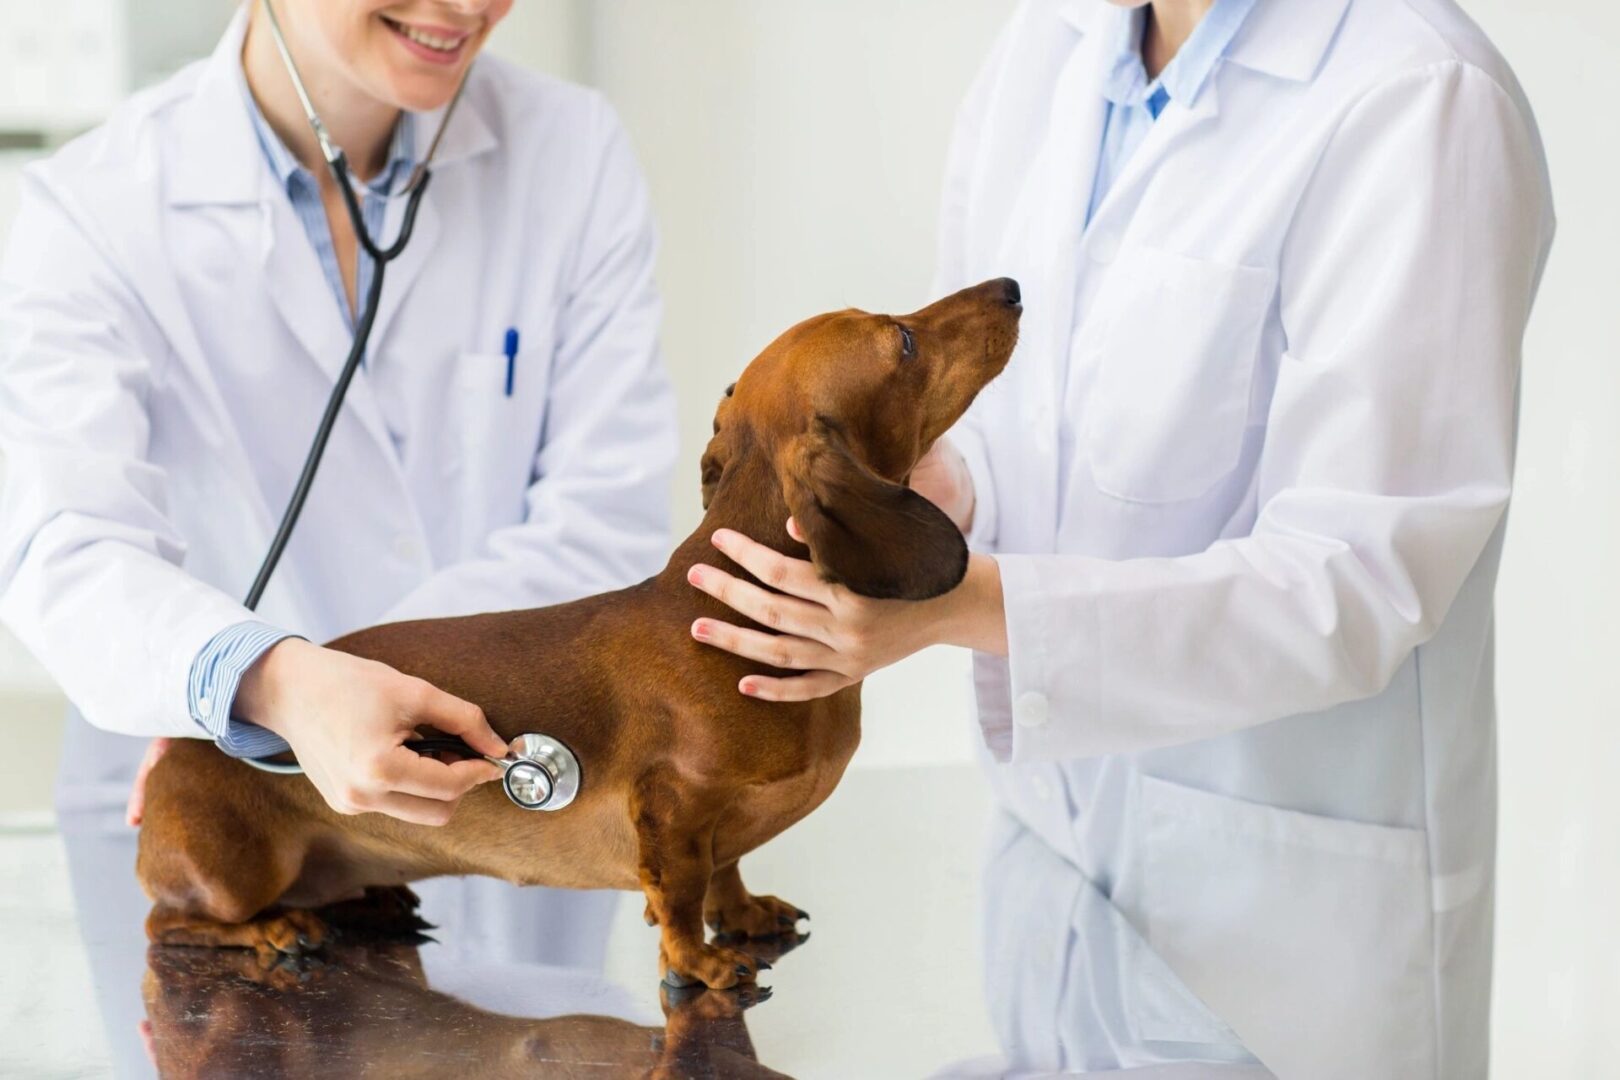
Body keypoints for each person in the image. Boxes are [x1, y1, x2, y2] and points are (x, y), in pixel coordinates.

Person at [686, 0, 1553, 1074]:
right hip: (1049, 863)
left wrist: (958, 608)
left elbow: (1358, 583)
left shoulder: (1421, 95)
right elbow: (1028, 425)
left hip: (1282, 932)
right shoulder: (1046, 48)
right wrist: (934, 497)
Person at [0, 0, 676, 971]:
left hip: (511, 799)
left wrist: (342, 682)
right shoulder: (96, 206)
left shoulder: (572, 151)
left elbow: (602, 517)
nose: (469, 7)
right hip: (223, 836)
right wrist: (265, 688)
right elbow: (64, 546)